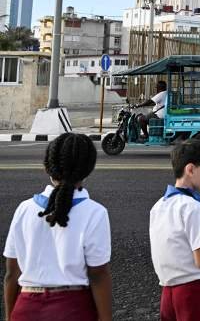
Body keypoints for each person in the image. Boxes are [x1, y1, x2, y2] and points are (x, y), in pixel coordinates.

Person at [3, 133, 112, 321]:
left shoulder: (24, 209)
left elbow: (12, 274)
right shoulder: (95, 212)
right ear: (88, 169)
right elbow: (98, 275)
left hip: (25, 308)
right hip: (73, 308)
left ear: (47, 167)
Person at [149, 139, 200, 321]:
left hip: (168, 291)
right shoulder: (194, 208)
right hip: (195, 291)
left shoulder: (158, 206)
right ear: (190, 170)